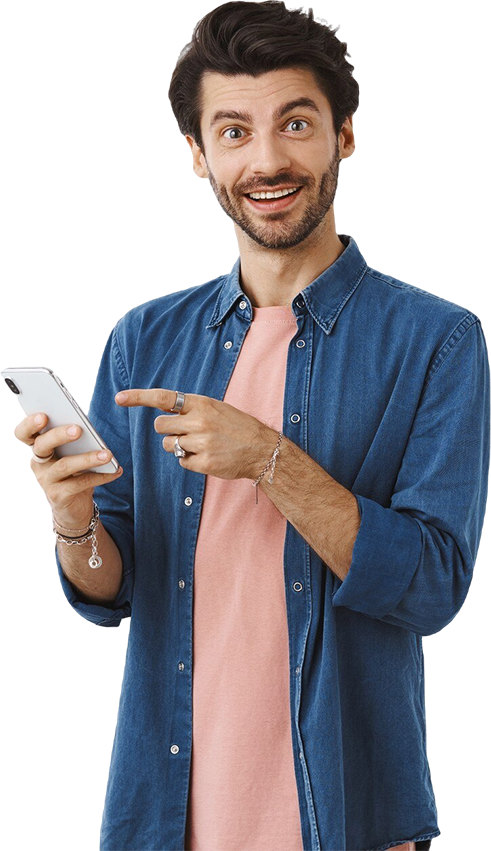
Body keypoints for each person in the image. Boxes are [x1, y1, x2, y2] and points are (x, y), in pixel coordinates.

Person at [19, 2, 488, 849]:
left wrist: (272, 459)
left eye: (295, 123)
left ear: (344, 138)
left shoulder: (434, 341)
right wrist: (74, 517)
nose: (266, 159)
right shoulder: (145, 339)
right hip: (170, 813)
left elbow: (429, 586)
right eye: (233, 132)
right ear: (200, 158)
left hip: (347, 811)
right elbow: (110, 593)